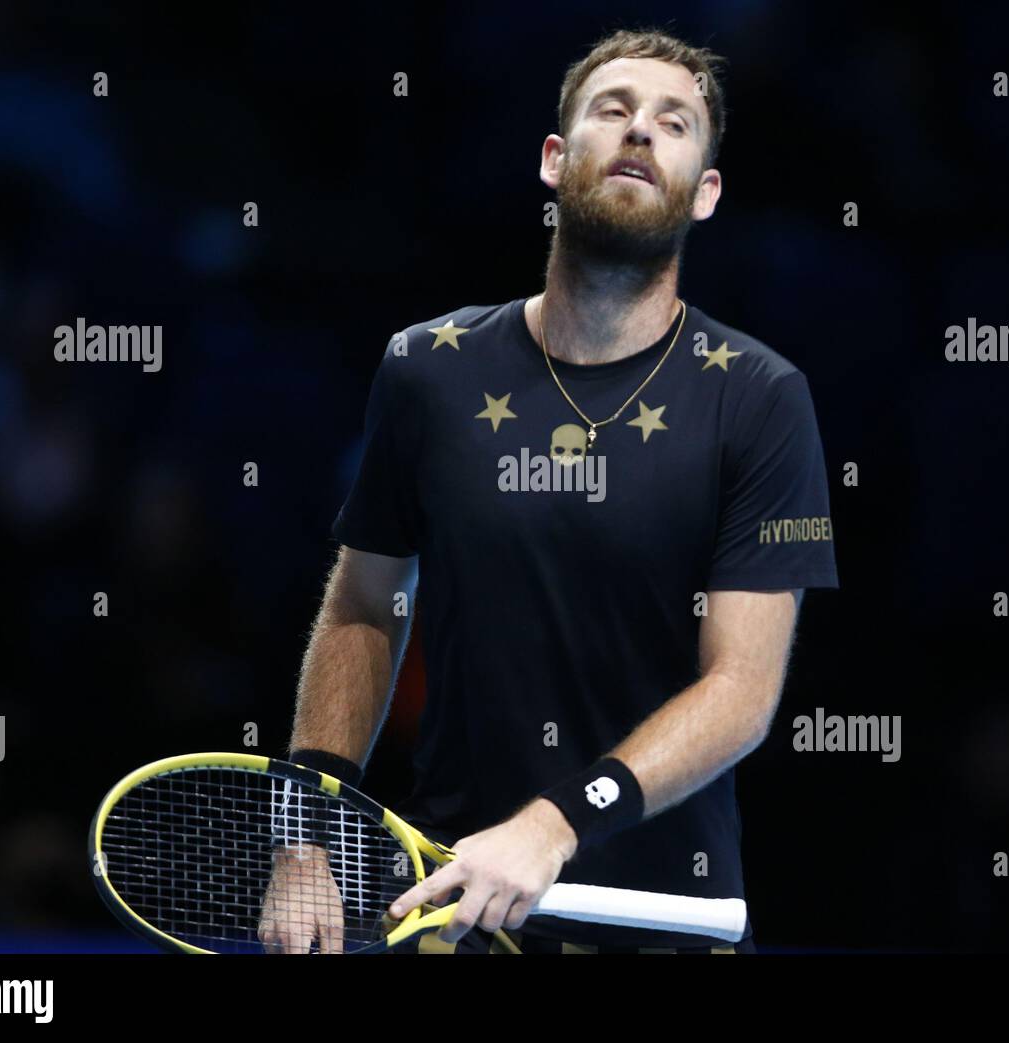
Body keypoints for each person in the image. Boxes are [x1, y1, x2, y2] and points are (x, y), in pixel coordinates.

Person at [259, 27, 839, 955]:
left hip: (662, 919)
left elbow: (741, 690)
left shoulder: (761, 398)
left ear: (708, 191)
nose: (640, 133)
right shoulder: (426, 371)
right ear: (554, 160)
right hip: (454, 901)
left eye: (674, 123)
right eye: (613, 111)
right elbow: (366, 600)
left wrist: (553, 825)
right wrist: (303, 829)